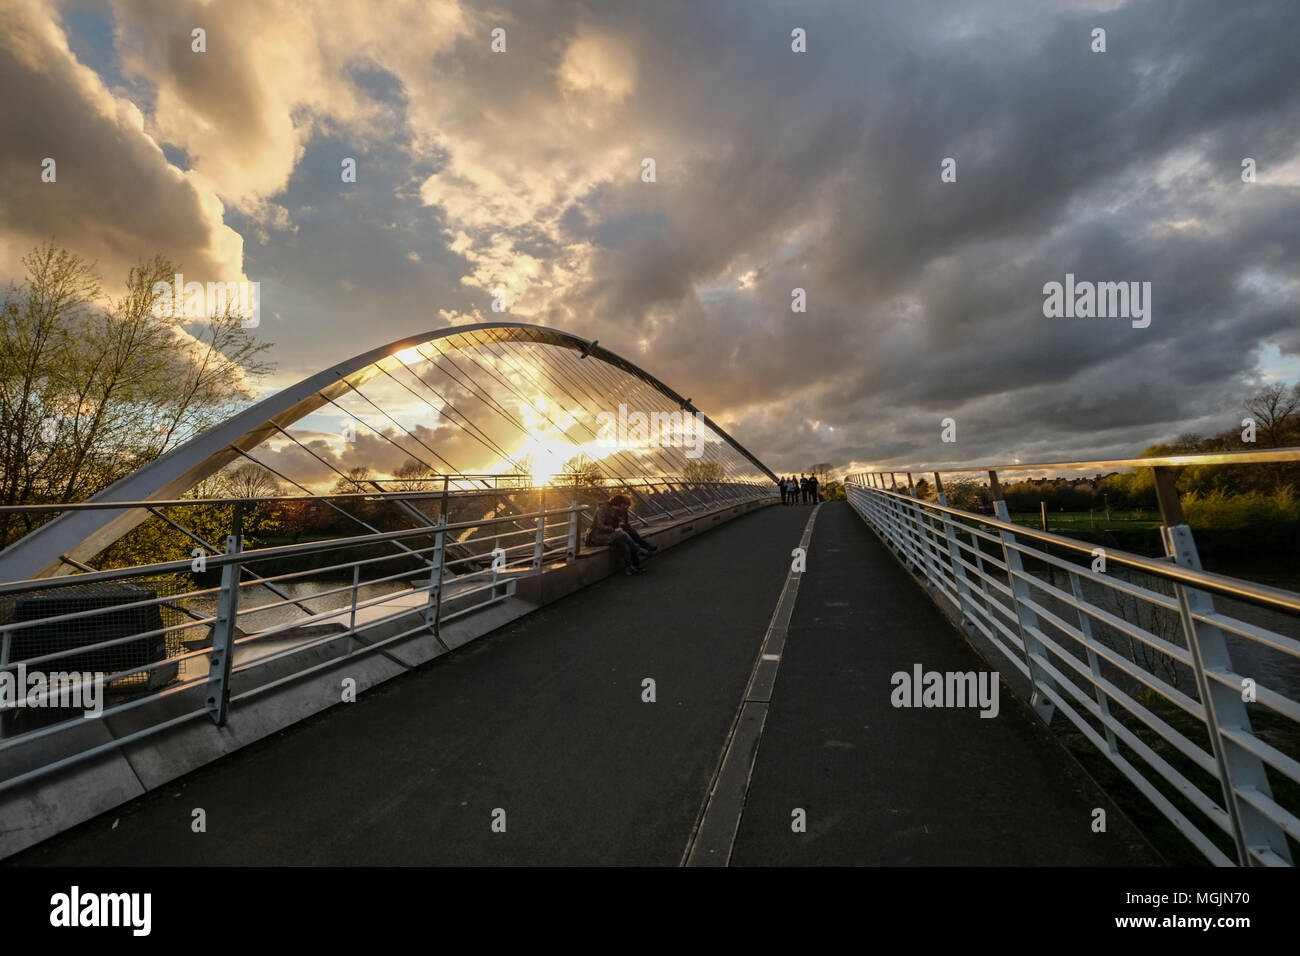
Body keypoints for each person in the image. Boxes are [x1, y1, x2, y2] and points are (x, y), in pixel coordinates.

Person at [586, 494, 657, 575]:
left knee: (623, 543)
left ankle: (629, 567)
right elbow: (599, 525)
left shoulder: (614, 510)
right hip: (597, 537)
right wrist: (614, 529)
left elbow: (617, 524)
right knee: (622, 534)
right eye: (622, 505)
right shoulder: (603, 509)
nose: (623, 508)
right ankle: (639, 550)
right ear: (620, 504)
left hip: (608, 535)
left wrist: (618, 526)